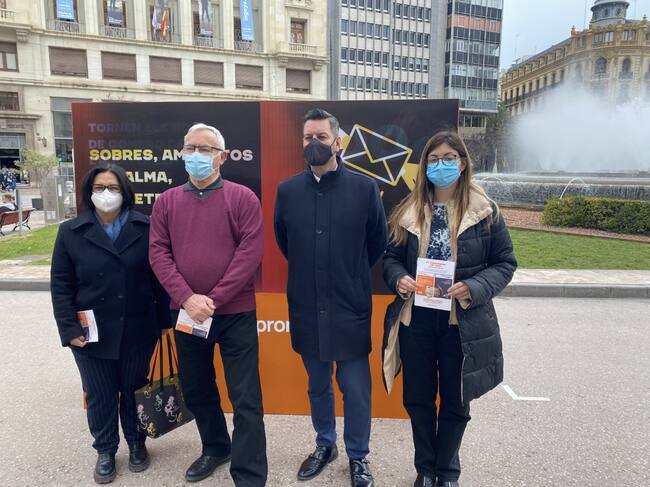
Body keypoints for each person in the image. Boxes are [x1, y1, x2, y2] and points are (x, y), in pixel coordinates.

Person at [381, 131, 517, 487]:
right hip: (417, 319)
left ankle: (447, 472)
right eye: (433, 159)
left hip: (462, 322)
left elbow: (505, 263)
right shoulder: (408, 210)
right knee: (418, 400)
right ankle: (425, 470)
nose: (440, 165)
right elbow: (390, 258)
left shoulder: (484, 210)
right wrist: (398, 278)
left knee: (457, 402)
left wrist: (474, 287)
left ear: (462, 162)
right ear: (424, 165)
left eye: (448, 158)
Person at [274, 109, 387, 487]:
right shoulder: (288, 191)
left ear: (338, 143)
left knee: (355, 388)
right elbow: (285, 242)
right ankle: (325, 444)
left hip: (349, 306)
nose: (314, 144)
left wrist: (347, 274)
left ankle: (358, 455)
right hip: (307, 305)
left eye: (321, 137)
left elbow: (377, 243)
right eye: (308, 137)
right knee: (317, 384)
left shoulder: (364, 189)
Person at [149, 123, 267, 486]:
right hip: (186, 313)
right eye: (190, 148)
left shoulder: (243, 198)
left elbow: (250, 254)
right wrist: (187, 298)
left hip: (235, 313)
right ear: (182, 153)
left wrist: (213, 299)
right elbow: (158, 253)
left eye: (205, 149)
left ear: (222, 156)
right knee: (197, 389)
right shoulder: (166, 201)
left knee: (246, 398)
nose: (196, 154)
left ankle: (249, 474)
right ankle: (216, 448)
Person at [50, 164, 171, 484]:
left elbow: (160, 279)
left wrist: (163, 323)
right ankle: (105, 450)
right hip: (90, 333)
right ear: (89, 192)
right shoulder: (70, 231)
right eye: (99, 187)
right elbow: (61, 285)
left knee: (134, 389)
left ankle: (136, 443)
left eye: (113, 188)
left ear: (125, 192)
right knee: (99, 393)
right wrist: (69, 330)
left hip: (138, 328)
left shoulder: (146, 227)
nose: (106, 193)